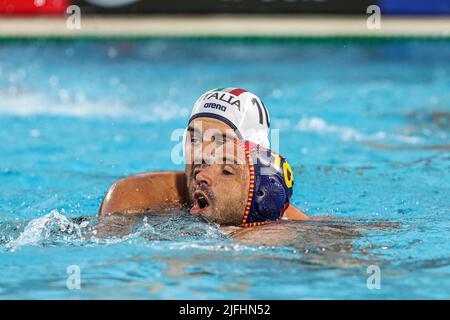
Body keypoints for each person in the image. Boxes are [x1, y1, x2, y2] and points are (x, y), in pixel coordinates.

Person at [98, 88, 310, 231]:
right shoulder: (135, 198)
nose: (201, 154)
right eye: (194, 138)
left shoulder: (282, 221)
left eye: (220, 141)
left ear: (253, 159)